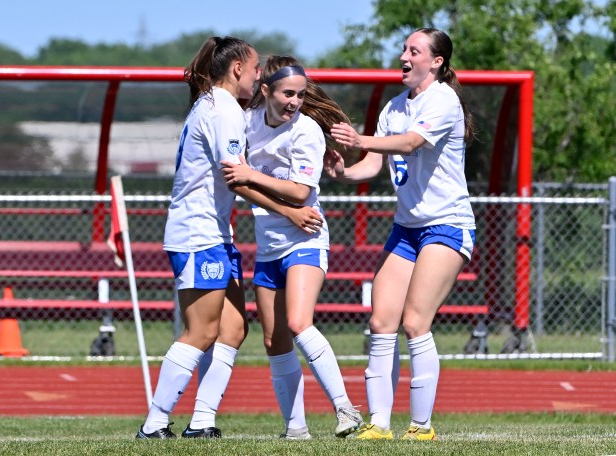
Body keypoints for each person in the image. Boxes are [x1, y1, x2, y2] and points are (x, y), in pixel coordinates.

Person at [137, 37, 321, 440]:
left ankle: (202, 422)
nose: (259, 76)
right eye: (256, 69)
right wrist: (289, 210)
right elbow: (235, 178)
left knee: (234, 329)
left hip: (214, 233)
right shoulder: (224, 110)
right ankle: (154, 424)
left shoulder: (213, 104)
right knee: (201, 332)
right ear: (237, 68)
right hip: (198, 232)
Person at [325, 28, 476, 440]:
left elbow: (410, 143)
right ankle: (379, 425)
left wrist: (359, 138)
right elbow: (372, 166)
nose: (404, 56)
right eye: (404, 49)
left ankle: (421, 427)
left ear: (437, 61)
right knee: (381, 320)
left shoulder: (443, 100)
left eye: (415, 51)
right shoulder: (393, 107)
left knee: (415, 322)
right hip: (407, 228)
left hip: (446, 224)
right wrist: (341, 172)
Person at [221, 55, 363, 439]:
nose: (295, 102)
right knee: (274, 338)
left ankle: (345, 408)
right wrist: (277, 203)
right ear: (265, 91)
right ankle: (295, 428)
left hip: (306, 237)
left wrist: (253, 176)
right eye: (287, 93)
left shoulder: (307, 132)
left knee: (299, 323)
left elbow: (301, 193)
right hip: (269, 245)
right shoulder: (246, 123)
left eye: (300, 95)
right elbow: (238, 183)